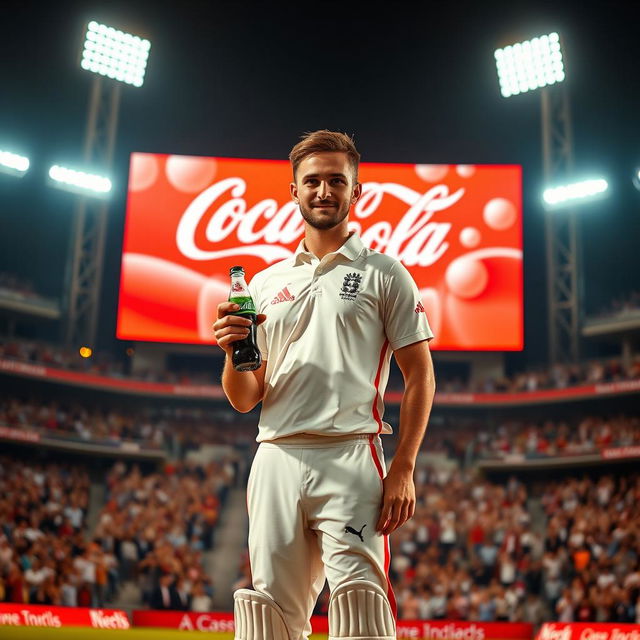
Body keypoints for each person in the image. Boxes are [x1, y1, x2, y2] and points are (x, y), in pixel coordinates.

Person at [213, 130, 435, 640]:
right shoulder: (265, 283)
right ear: (294, 192)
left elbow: (420, 374)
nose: (323, 190)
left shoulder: (386, 273)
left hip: (352, 454)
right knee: (269, 617)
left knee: (362, 611)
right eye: (312, 181)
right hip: (275, 457)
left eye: (337, 180)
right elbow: (246, 397)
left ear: (356, 192)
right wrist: (232, 351)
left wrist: (403, 466)